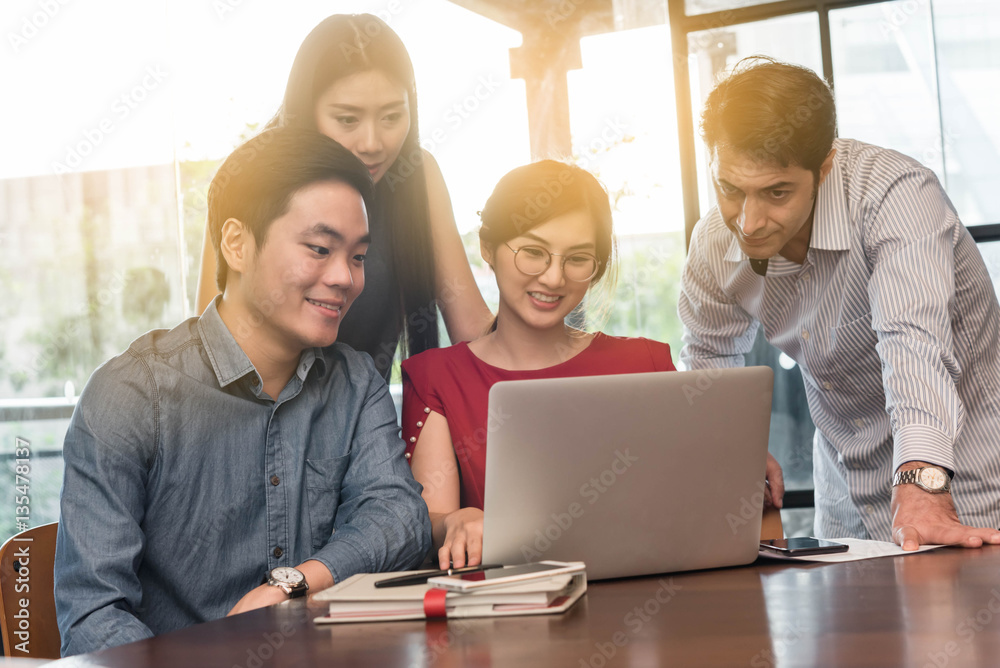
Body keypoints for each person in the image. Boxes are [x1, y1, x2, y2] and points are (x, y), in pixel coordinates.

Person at [55, 127, 432, 656]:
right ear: (236, 243)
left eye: (359, 257)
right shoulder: (131, 395)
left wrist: (296, 582)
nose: (345, 277)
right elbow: (94, 617)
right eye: (320, 249)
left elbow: (398, 518)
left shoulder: (355, 382)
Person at [678, 56, 1000, 550]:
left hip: (963, 480)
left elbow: (911, 344)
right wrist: (735, 442)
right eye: (730, 189)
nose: (748, 222)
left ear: (824, 165)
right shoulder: (712, 245)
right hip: (844, 496)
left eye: (776, 192)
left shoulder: (895, 197)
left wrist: (920, 483)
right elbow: (708, 354)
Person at [401, 161, 679, 570]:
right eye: (533, 252)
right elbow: (432, 517)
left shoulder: (645, 363)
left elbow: (686, 491)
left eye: (578, 258)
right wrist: (458, 521)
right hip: (505, 609)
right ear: (487, 247)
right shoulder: (437, 378)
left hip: (642, 600)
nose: (553, 278)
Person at [195, 13, 491, 379]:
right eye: (348, 120)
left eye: (391, 117)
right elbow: (210, 352)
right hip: (257, 418)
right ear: (307, 113)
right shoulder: (252, 178)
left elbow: (472, 329)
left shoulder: (416, 176)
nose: (372, 144)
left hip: (368, 424)